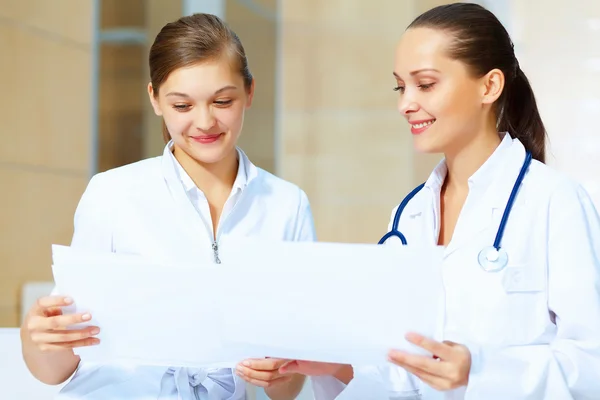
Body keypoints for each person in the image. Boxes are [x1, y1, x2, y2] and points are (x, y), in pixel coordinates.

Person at [282, 3, 600, 399]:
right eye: (401, 86)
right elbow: (406, 373)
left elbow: (592, 367)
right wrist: (341, 367)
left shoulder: (555, 201)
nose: (405, 103)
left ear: (489, 86)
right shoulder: (409, 214)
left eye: (426, 84)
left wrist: (478, 371)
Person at [20, 13, 313, 400]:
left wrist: (280, 372)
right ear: (155, 99)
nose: (205, 121)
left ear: (250, 92)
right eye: (182, 105)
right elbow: (57, 370)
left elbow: (288, 387)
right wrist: (38, 336)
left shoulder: (286, 204)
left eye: (222, 101)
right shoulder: (111, 193)